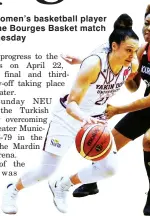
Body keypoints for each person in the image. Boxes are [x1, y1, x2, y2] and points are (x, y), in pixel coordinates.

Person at [1, 14, 139, 214]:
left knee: (109, 168)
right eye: (128, 50)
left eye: (135, 51)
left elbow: (113, 69)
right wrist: (84, 118)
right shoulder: (93, 64)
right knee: (46, 170)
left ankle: (62, 185)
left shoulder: (130, 64)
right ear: (114, 46)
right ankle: (12, 189)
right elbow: (71, 104)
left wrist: (81, 61)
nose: (132, 56)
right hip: (69, 116)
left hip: (96, 119)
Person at [61, 1, 150, 215]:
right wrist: (122, 70)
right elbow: (133, 86)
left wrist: (116, 109)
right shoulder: (140, 50)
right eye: (147, 23)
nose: (149, 28)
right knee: (104, 142)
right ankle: (93, 181)